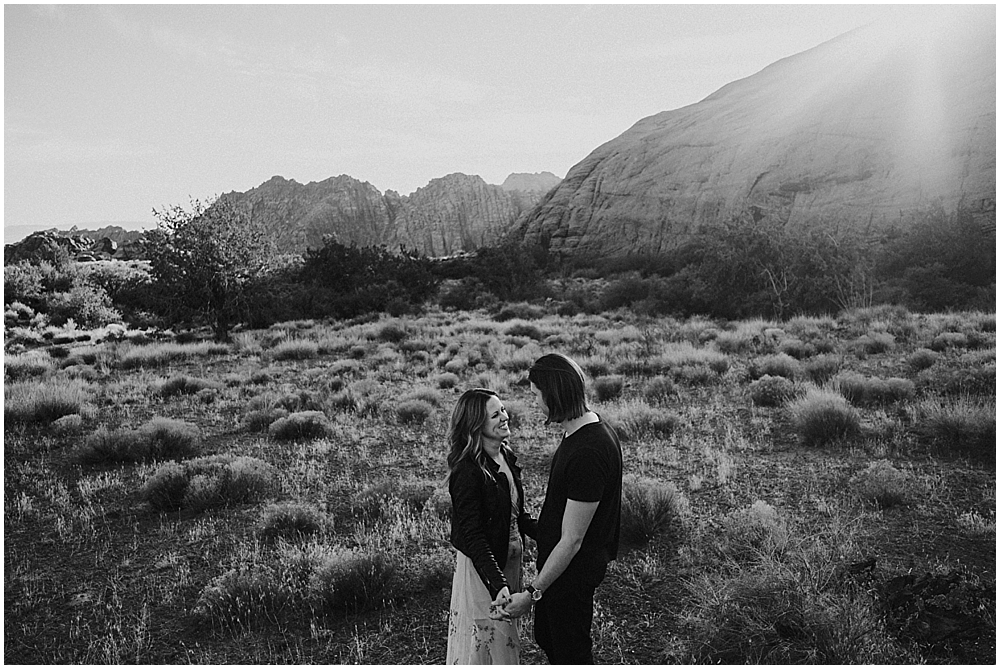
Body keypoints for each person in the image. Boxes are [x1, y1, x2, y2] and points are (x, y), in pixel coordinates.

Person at [502, 353, 623, 664]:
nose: (536, 404)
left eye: (536, 396)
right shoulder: (582, 430)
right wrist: (525, 522)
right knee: (548, 638)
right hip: (563, 568)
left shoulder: (589, 450)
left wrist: (531, 594)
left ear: (553, 394)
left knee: (570, 654)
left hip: (573, 572)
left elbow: (572, 540)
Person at [446, 388, 538, 664]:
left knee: (505, 641)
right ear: (476, 425)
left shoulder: (506, 457)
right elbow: (471, 534)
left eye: (503, 410)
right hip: (483, 568)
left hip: (509, 560)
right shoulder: (467, 471)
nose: (505, 417)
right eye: (495, 414)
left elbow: (516, 515)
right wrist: (496, 583)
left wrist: (553, 533)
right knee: (484, 643)